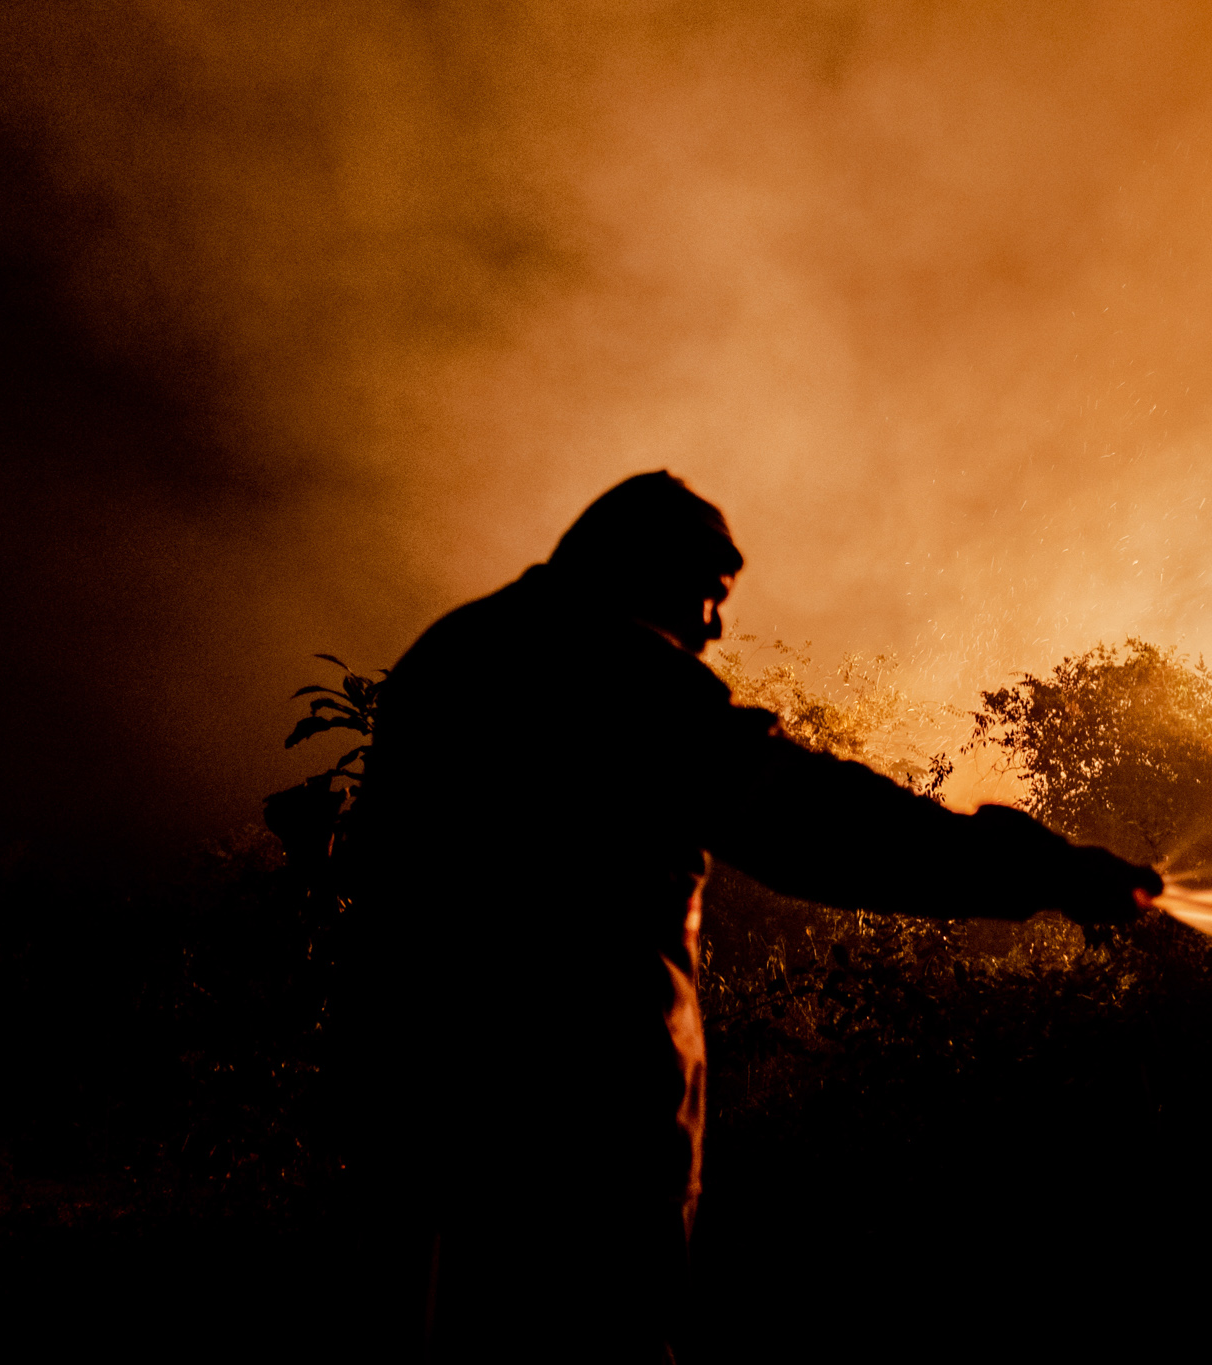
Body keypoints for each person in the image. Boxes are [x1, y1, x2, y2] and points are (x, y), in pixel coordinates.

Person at [351, 471, 1163, 1360]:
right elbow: (813, 823)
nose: (714, 625)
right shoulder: (616, 675)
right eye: (707, 593)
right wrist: (1035, 868)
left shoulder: (456, 652)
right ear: (642, 568)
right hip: (583, 1136)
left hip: (426, 1110)